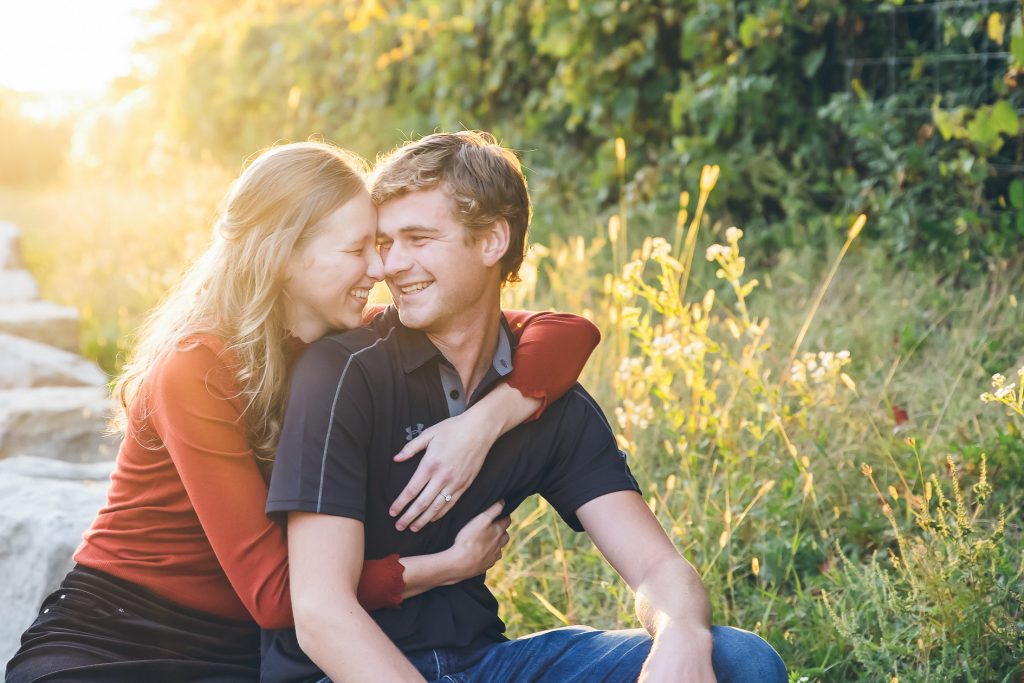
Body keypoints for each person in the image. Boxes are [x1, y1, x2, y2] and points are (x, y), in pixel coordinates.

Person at [5, 141, 602, 682]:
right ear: (285, 257)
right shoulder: (198, 366)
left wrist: (485, 420)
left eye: (380, 246)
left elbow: (563, 331)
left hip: (241, 659)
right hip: (114, 641)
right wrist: (440, 567)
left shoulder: (341, 347)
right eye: (357, 250)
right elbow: (274, 593)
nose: (381, 268)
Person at [262, 131, 789, 682]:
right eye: (384, 242)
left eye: (417, 238)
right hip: (341, 673)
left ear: (491, 241)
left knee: (740, 660)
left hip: (484, 665)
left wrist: (681, 629)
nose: (391, 266)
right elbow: (321, 615)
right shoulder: (343, 372)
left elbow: (657, 566)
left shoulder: (544, 399)